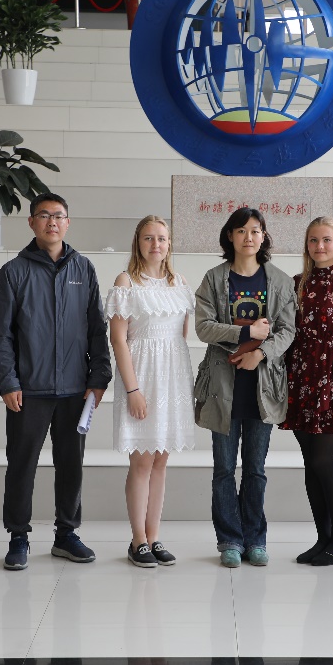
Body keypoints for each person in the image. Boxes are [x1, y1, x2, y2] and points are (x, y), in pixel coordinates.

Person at [0, 193, 112, 571]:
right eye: (44, 215)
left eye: (59, 216)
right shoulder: (13, 271)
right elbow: (0, 335)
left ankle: (66, 534)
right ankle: (18, 536)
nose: (52, 222)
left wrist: (99, 377)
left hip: (75, 388)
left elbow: (97, 328)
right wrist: (8, 382)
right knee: (21, 464)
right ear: (32, 222)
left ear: (68, 223)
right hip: (28, 390)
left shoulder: (84, 269)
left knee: (71, 464)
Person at [194, 207, 296, 568]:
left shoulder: (279, 281)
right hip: (223, 385)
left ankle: (255, 539)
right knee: (223, 469)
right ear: (230, 236)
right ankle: (229, 540)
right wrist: (246, 332)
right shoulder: (214, 278)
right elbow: (203, 327)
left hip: (262, 386)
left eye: (255, 230)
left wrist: (260, 353)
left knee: (255, 469)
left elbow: (287, 330)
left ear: (263, 236)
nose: (248, 237)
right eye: (241, 230)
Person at [106, 215, 196, 568]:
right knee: (142, 460)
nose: (155, 244)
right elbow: (118, 340)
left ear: (169, 243)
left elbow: (180, 335)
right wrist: (133, 389)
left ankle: (154, 536)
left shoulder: (179, 282)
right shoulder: (126, 281)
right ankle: (138, 540)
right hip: (141, 376)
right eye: (148, 238)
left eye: (161, 238)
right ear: (138, 242)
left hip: (172, 377)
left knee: (161, 460)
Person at [279, 217, 333, 566]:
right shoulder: (296, 284)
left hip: (332, 385)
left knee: (323, 462)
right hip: (300, 383)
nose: (319, 246)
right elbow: (287, 336)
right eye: (313, 240)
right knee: (310, 465)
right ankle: (323, 538)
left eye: (326, 240)